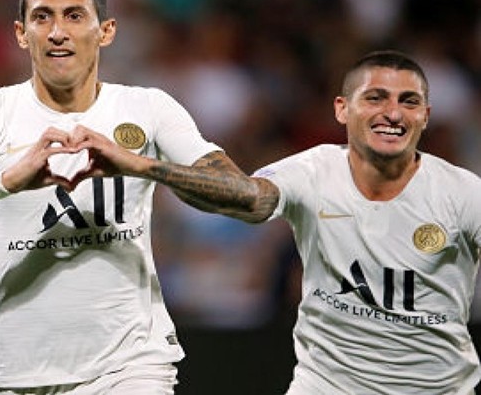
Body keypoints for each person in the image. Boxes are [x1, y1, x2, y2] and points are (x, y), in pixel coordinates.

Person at [0, 0, 252, 395]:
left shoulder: (148, 108)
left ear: (106, 31)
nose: (58, 32)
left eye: (74, 16)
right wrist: (5, 183)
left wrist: (140, 165)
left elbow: (243, 195)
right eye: (42, 17)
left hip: (131, 365)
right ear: (22, 34)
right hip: (17, 373)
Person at [205, 50, 481, 394]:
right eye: (375, 98)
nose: (393, 113)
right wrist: (152, 167)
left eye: (409, 101)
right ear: (342, 109)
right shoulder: (312, 171)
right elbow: (250, 197)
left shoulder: (463, 192)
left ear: (425, 116)